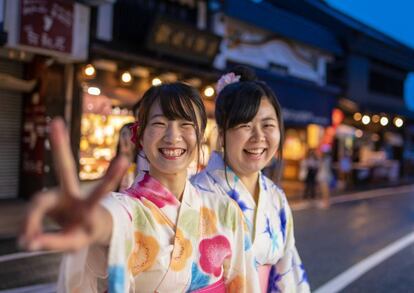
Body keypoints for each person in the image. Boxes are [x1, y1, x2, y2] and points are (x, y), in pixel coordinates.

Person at [20, 82, 261, 293]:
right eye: (159, 123)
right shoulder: (125, 208)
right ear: (140, 137)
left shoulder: (225, 211)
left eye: (186, 124)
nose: (172, 136)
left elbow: (243, 285)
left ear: (200, 138)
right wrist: (91, 221)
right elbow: (108, 219)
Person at [192, 66, 310, 292]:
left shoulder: (275, 197)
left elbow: (288, 273)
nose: (259, 137)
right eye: (245, 125)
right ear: (223, 133)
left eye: (268, 125)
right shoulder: (194, 194)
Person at [116, 122, 138, 192]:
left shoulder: (141, 162)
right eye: (124, 134)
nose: (126, 138)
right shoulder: (116, 162)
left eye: (130, 134)